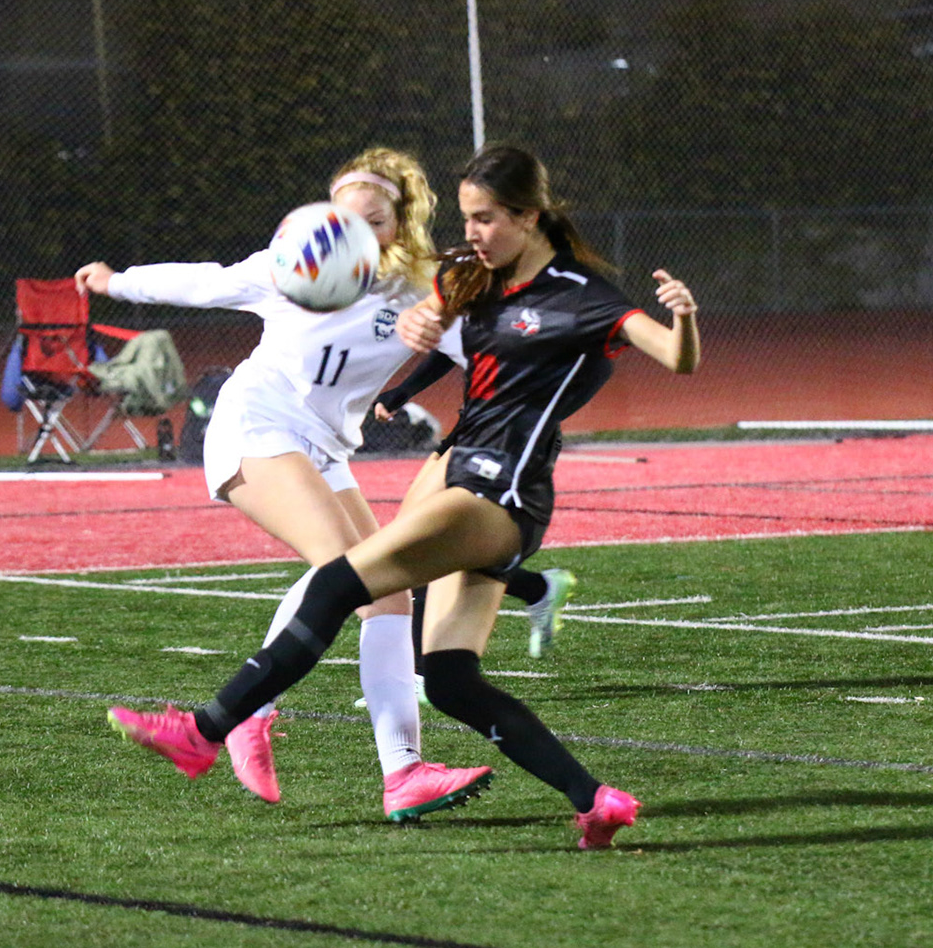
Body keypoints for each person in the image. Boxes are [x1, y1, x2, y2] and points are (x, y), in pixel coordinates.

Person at [109, 144, 700, 849]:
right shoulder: (402, 276)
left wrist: (680, 319)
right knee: (429, 657)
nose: (473, 233)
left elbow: (652, 354)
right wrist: (116, 282)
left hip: (483, 482)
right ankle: (572, 796)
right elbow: (208, 282)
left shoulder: (541, 293)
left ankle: (220, 726)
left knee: (355, 590)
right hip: (278, 432)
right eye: (468, 219)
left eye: (485, 219)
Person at [74, 147, 494, 823]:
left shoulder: (421, 289)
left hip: (325, 449)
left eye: (373, 218)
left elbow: (487, 355)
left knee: (390, 594)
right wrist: (117, 281)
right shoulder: (292, 265)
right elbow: (205, 282)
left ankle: (404, 773)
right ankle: (238, 715)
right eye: (342, 215)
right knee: (351, 572)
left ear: (400, 220)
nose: (352, 230)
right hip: (257, 425)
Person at [373, 356, 577, 660]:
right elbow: (452, 346)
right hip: (472, 423)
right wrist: (404, 391)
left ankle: (422, 673)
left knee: (423, 543)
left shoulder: (548, 330)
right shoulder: (483, 326)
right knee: (420, 540)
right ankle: (535, 588)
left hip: (510, 431)